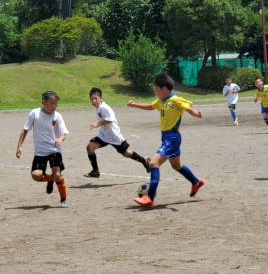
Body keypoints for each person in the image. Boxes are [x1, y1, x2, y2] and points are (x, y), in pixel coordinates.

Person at [127, 73, 205, 208]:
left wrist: (196, 113)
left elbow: (188, 108)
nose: (156, 93)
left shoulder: (175, 100)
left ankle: (149, 198)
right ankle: (196, 182)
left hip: (172, 138)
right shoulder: (161, 101)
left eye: (156, 90)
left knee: (154, 163)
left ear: (164, 88)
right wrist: (135, 105)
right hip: (167, 138)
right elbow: (150, 106)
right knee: (176, 166)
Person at [16, 91, 69, 207]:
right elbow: (25, 130)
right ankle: (51, 179)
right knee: (36, 175)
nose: (54, 106)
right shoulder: (34, 114)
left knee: (58, 174)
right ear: (43, 102)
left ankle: (64, 199)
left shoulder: (57, 116)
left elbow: (64, 133)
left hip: (55, 150)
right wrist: (19, 146)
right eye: (51, 104)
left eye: (56, 104)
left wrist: (60, 139)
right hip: (40, 152)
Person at [84, 87, 151, 178]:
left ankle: (144, 161)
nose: (94, 101)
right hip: (104, 136)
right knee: (90, 147)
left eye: (96, 98)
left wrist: (97, 124)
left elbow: (110, 119)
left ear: (101, 98)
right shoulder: (99, 108)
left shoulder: (104, 107)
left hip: (114, 136)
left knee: (126, 153)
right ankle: (96, 171)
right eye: (92, 99)